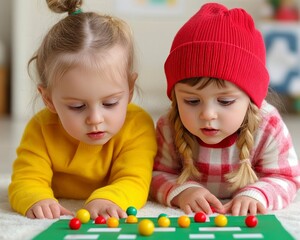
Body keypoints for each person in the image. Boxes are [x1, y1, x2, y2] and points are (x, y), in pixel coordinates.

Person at [9, 0, 157, 220]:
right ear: (48, 99)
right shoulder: (41, 128)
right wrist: (37, 198)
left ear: (130, 88)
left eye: (110, 103)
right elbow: (26, 178)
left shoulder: (138, 125)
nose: (95, 119)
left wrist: (109, 198)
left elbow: (135, 179)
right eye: (77, 106)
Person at [150, 2, 300, 216]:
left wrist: (257, 194)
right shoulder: (169, 125)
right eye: (192, 101)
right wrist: (183, 190)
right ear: (175, 97)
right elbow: (155, 174)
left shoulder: (268, 125)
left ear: (251, 98)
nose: (207, 114)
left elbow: (287, 177)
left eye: (225, 102)